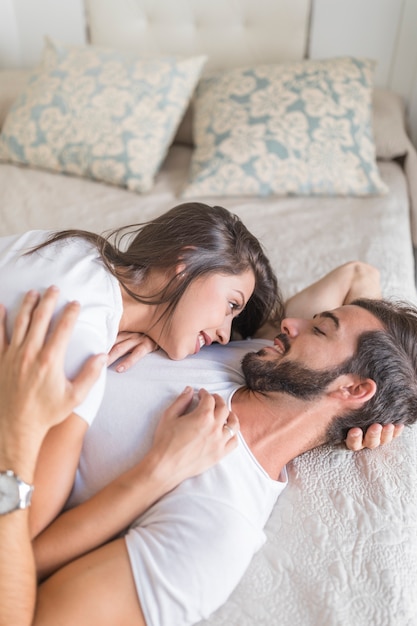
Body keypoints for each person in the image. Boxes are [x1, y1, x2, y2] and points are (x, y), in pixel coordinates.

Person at [0, 262, 411, 626]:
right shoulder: (258, 361)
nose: (291, 323)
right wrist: (382, 407)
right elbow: (357, 273)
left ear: (353, 387)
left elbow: (33, 610)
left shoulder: (219, 527)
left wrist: (14, 430)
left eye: (319, 329)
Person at [0, 202, 282, 539]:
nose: (224, 332)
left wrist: (155, 328)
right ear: (186, 262)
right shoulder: (81, 347)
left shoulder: (74, 248)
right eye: (231, 305)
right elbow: (25, 524)